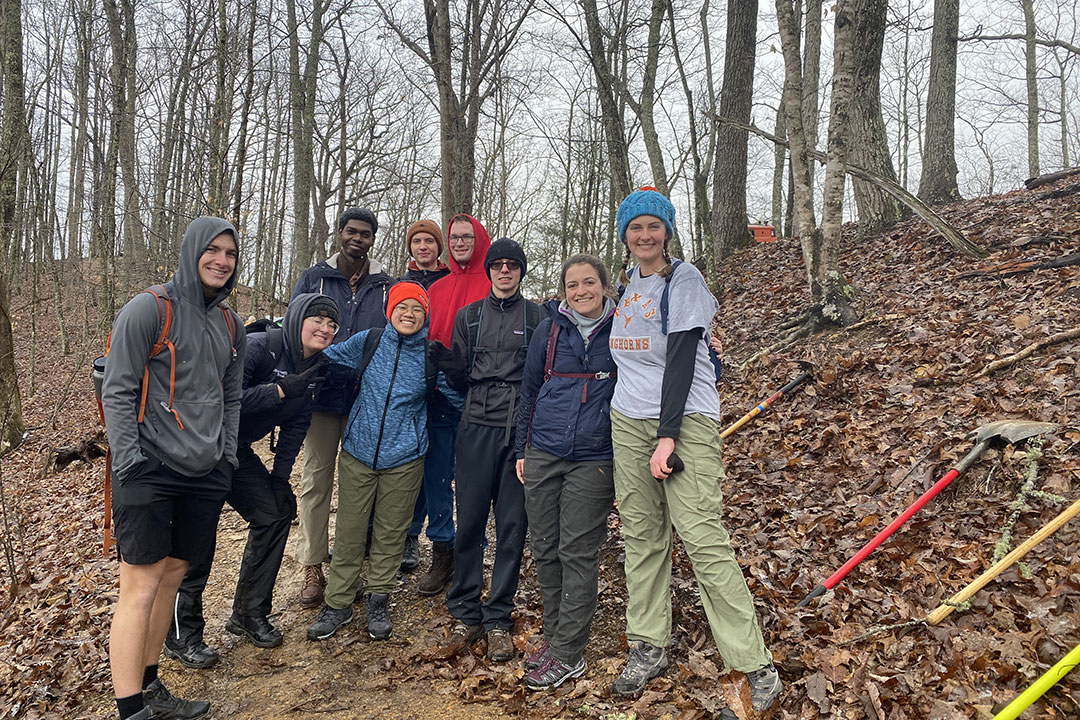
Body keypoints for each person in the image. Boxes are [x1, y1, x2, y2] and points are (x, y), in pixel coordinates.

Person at [606, 188, 782, 715]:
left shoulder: (684, 279)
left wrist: (668, 436)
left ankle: (755, 667)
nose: (644, 236)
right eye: (634, 228)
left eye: (653, 227)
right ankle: (648, 643)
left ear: (667, 231)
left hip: (683, 423)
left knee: (702, 538)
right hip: (627, 420)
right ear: (624, 234)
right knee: (641, 533)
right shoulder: (626, 287)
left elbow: (683, 358)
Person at [101, 217, 245, 720]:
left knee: (173, 575)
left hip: (205, 474)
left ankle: (150, 684)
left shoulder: (231, 324)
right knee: (139, 584)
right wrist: (129, 461)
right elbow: (117, 388)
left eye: (229, 252)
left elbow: (231, 398)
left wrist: (226, 458)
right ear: (191, 252)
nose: (221, 260)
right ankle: (130, 710)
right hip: (149, 468)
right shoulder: (149, 308)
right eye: (212, 250)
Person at [164, 294, 338, 668]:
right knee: (198, 540)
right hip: (200, 448)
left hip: (235, 452)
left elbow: (296, 425)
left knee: (274, 514)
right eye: (317, 320)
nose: (324, 328)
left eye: (332, 324)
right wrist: (277, 389)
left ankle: (248, 613)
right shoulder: (259, 347)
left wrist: (280, 479)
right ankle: (182, 633)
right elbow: (222, 399)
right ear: (296, 320)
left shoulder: (317, 367)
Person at [306, 282, 462, 641]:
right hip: (359, 452)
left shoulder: (428, 355)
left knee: (391, 533)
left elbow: (458, 397)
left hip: (405, 458)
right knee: (349, 532)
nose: (409, 314)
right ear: (390, 310)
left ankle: (378, 599)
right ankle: (338, 604)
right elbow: (323, 355)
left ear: (426, 315)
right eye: (402, 307)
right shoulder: (369, 341)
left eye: (417, 309)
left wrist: (474, 397)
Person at [514, 254, 618, 690]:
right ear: (563, 290)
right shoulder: (549, 328)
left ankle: (569, 652)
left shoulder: (624, 326)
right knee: (546, 548)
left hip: (595, 457)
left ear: (604, 285)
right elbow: (530, 388)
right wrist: (522, 448)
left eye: (589, 282)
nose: (581, 291)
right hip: (543, 451)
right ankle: (557, 638)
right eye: (572, 285)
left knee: (577, 551)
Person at [441, 238, 541, 663]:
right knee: (470, 522)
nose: (504, 271)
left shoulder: (538, 316)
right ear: (489, 272)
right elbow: (459, 375)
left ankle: (498, 615)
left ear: (520, 271)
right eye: (497, 265)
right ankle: (465, 611)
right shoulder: (469, 317)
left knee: (512, 526)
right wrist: (446, 368)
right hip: (476, 426)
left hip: (521, 432)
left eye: (511, 265)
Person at [290, 208, 394, 609]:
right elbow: (294, 329)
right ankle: (312, 565)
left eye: (366, 234)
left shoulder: (386, 285)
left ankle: (351, 562)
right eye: (351, 231)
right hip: (320, 395)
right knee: (317, 479)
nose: (358, 239)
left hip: (366, 399)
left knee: (359, 483)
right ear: (339, 234)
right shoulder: (315, 278)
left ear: (373, 239)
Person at [409, 214, 493, 595]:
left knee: (474, 478)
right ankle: (441, 546)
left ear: (478, 240)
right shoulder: (437, 288)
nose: (459, 242)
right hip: (439, 393)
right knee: (437, 473)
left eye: (466, 237)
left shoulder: (493, 283)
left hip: (480, 396)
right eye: (454, 237)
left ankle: (472, 548)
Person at [397, 219, 450, 572]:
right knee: (407, 463)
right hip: (407, 379)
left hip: (444, 379)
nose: (423, 247)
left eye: (429, 240)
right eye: (416, 241)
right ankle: (406, 535)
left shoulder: (450, 281)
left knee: (440, 465)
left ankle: (442, 542)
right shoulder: (400, 284)